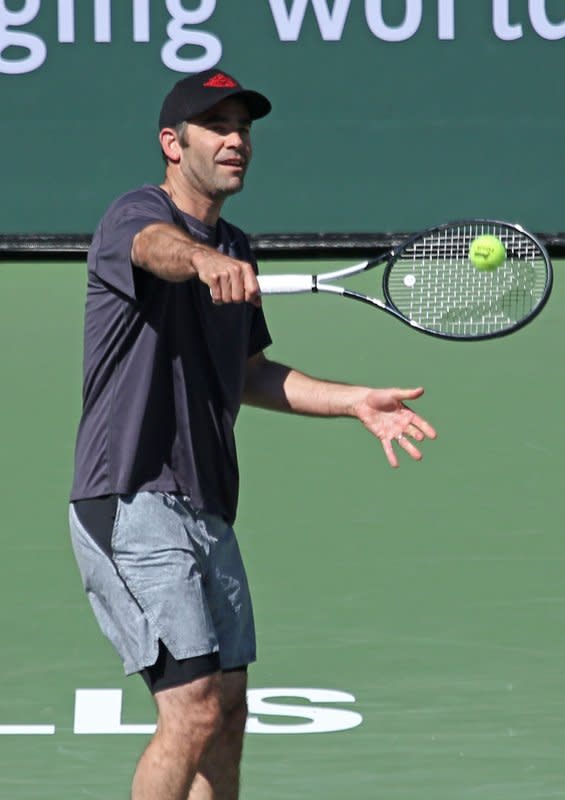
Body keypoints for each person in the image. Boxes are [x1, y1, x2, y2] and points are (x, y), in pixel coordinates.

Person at [68, 68, 437, 800]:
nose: (236, 140)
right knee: (192, 707)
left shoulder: (237, 244)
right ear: (172, 144)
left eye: (243, 129)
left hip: (207, 504)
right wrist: (200, 259)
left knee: (227, 713)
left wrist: (355, 400)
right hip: (132, 496)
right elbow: (152, 248)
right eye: (217, 128)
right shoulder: (134, 215)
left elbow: (250, 375)